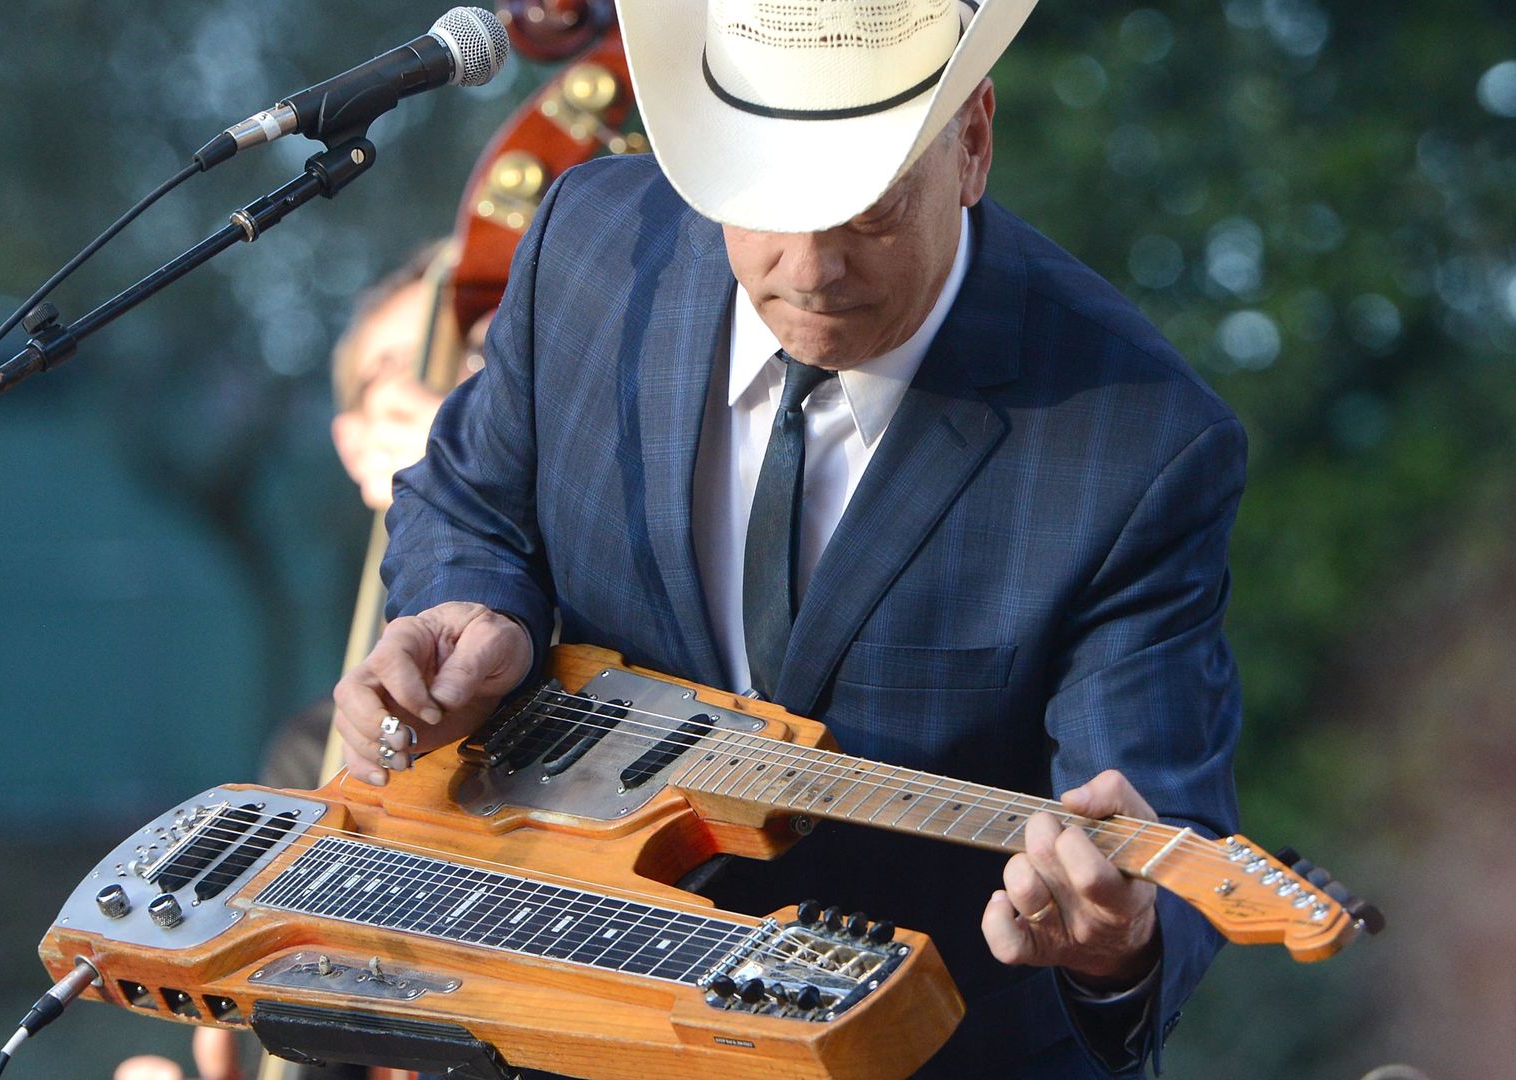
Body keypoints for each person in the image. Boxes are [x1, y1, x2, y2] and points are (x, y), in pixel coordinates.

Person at [333, 1, 1245, 1076]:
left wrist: (1118, 938)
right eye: (765, 201)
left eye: (865, 210)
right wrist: (465, 606)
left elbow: (1156, 834)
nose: (811, 269)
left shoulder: (1140, 443)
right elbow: (468, 500)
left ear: (973, 141)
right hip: (571, 1027)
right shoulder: (587, 244)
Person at [115, 245, 462, 1080]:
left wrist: (465, 465)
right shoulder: (308, 759)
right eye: (398, 371)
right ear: (358, 448)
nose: (434, 389)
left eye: (474, 361)